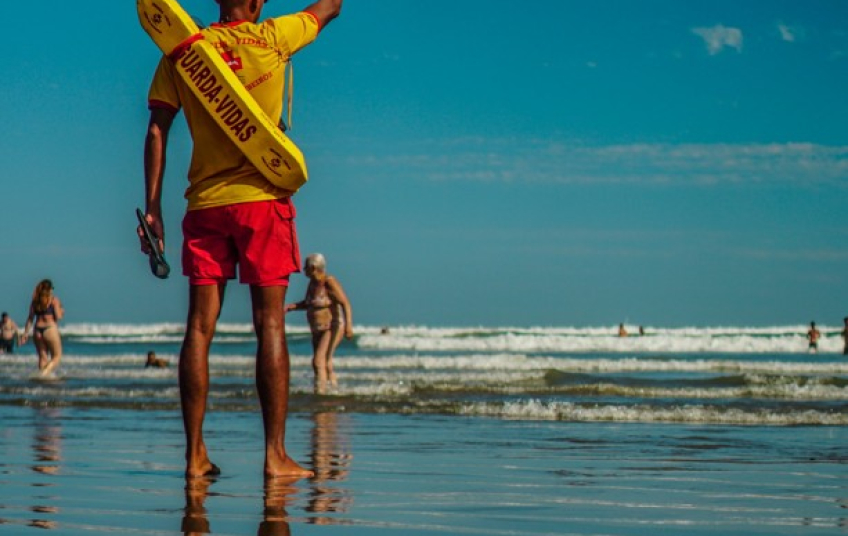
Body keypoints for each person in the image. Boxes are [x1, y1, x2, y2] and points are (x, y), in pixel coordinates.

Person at [139, 0, 342, 478]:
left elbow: (157, 130)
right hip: (262, 202)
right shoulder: (274, 37)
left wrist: (153, 208)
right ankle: (274, 456)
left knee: (198, 329)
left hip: (204, 205)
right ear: (258, 2)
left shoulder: (184, 51)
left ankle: (194, 456)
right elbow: (330, 6)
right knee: (269, 325)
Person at [286, 253, 353, 394]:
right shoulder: (312, 284)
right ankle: (333, 390)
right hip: (317, 329)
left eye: (306, 267)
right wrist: (292, 307)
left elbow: (345, 303)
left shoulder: (329, 282)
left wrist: (349, 326)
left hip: (331, 326)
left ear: (313, 268)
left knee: (318, 361)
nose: (304, 270)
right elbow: (309, 303)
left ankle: (320, 392)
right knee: (325, 362)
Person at [21, 280, 64, 375]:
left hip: (37, 330)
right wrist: (62, 311)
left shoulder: (35, 301)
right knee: (57, 356)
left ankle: (42, 378)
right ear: (50, 289)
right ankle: (44, 374)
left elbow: (30, 318)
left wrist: (25, 333)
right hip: (49, 329)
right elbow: (58, 317)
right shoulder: (53, 300)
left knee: (42, 357)